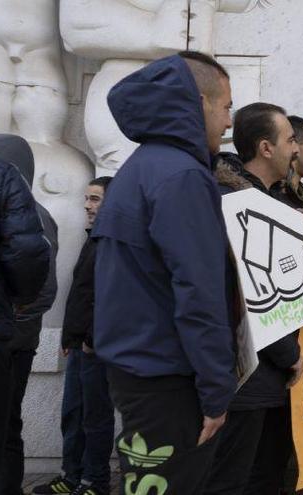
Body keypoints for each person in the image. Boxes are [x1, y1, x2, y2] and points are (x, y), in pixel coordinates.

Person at [91, 51, 237, 494]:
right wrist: (217, 390)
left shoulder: (140, 168)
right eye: (227, 106)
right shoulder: (182, 177)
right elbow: (198, 291)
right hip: (168, 378)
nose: (229, 123)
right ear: (199, 103)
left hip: (139, 367)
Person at [205, 102, 303, 495]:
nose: (296, 148)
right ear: (266, 148)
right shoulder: (235, 206)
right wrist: (289, 353)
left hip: (266, 375)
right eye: (291, 139)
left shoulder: (272, 203)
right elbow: (255, 293)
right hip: (247, 376)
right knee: (239, 479)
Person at [0, 135, 58, 495]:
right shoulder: (12, 198)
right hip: (3, 337)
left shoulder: (34, 213)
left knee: (5, 429)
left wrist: (15, 313)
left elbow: (41, 285)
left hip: (12, 341)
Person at [31, 177, 109, 495]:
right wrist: (68, 337)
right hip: (78, 345)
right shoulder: (93, 239)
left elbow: (107, 296)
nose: (88, 206)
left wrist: (90, 337)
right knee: (73, 413)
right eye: (87, 199)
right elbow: (79, 294)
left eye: (95, 200)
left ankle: (96, 481)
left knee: (95, 416)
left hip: (94, 347)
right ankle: (72, 476)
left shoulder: (109, 242)